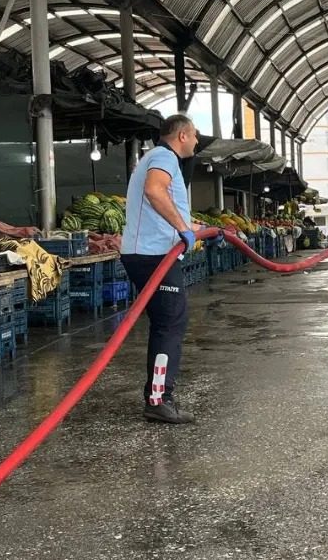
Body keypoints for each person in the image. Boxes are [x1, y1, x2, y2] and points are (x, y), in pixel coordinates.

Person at [120, 114, 203, 425]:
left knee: (168, 322)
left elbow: (167, 209)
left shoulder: (160, 159)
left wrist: (204, 228)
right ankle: (158, 398)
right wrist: (184, 228)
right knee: (170, 322)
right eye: (194, 136)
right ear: (182, 135)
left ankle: (159, 395)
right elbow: (155, 192)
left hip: (152, 252)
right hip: (152, 256)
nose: (196, 142)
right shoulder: (163, 157)